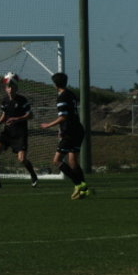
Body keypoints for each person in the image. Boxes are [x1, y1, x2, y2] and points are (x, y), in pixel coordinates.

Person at [40, 72, 91, 200]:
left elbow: (63, 116)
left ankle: (79, 184)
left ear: (55, 84)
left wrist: (49, 125)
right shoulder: (71, 94)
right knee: (73, 161)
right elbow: (70, 115)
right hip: (77, 130)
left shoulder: (61, 97)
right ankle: (84, 190)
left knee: (57, 160)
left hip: (70, 133)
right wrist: (61, 129)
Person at [0, 73, 39, 189]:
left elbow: (30, 115)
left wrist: (17, 119)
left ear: (16, 88)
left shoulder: (22, 100)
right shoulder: (5, 101)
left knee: (22, 159)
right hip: (7, 132)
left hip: (20, 133)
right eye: (8, 87)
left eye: (12, 87)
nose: (10, 89)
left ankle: (33, 175)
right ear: (6, 89)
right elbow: (4, 116)